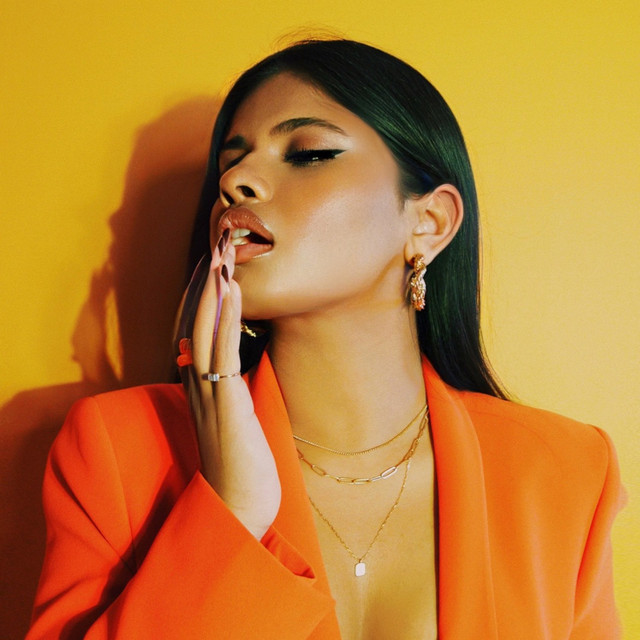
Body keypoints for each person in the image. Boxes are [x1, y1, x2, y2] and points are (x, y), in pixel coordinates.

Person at [27, 39, 624, 639]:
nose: (236, 181)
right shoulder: (115, 451)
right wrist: (230, 512)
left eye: (308, 153)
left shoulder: (568, 473)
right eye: (231, 162)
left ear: (429, 222)